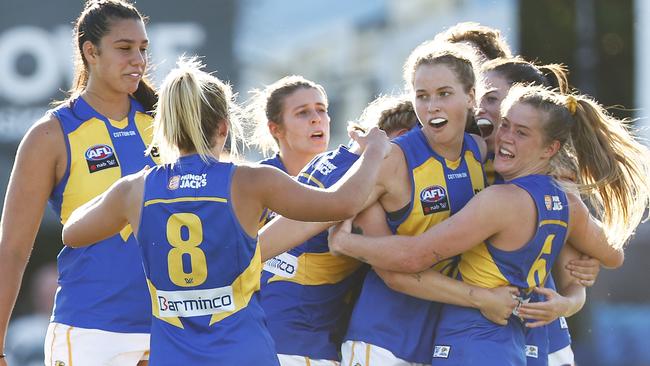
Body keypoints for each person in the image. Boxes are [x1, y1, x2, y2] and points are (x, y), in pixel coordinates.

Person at [61, 57, 391, 365]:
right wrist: (374, 150)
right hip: (244, 351)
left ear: (167, 128)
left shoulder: (136, 189)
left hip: (173, 355)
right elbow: (344, 202)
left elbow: (72, 233)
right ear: (223, 127)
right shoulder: (249, 180)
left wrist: (123, 189)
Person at [329, 84, 650, 365]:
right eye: (506, 126)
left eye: (521, 133)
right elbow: (613, 255)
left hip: (474, 341)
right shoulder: (567, 200)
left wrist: (347, 243)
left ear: (550, 148)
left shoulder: (500, 200)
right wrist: (585, 269)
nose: (505, 138)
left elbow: (415, 256)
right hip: (512, 343)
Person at [260, 41, 515, 366]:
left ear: (470, 97)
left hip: (432, 339)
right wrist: (233, 259)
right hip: (379, 342)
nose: (432, 106)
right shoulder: (394, 160)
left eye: (444, 94)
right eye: (422, 96)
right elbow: (311, 218)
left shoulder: (477, 151)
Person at [0, 1, 158, 365]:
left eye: (143, 49)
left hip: (169, 329)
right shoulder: (50, 134)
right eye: (124, 48)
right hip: (90, 332)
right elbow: (11, 250)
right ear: (91, 51)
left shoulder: (166, 123)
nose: (138, 59)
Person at [476, 56, 601, 366]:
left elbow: (576, 283)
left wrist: (565, 303)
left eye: (492, 99)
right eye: (477, 97)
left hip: (543, 342)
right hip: (479, 341)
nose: (479, 109)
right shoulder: (463, 160)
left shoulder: (554, 182)